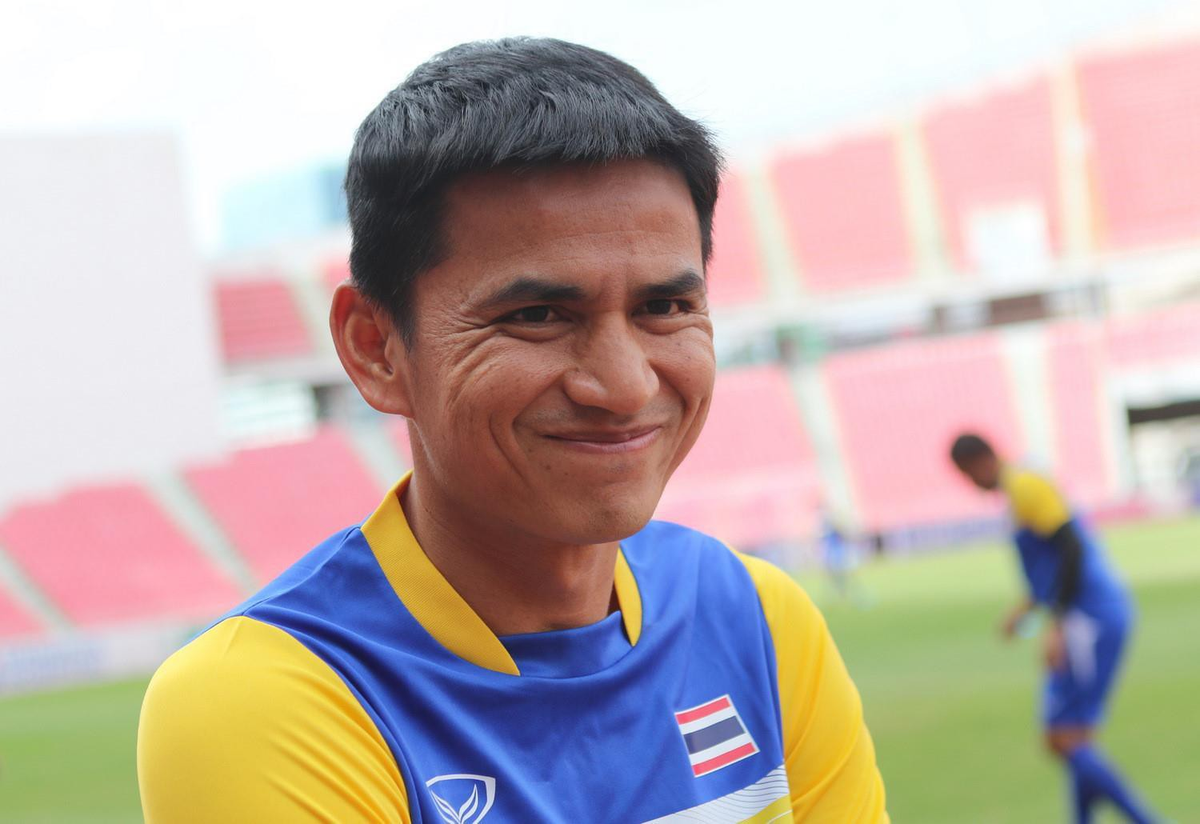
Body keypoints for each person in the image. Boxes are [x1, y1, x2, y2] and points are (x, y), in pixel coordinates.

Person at [137, 38, 887, 822]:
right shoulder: (265, 698)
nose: (625, 386)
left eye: (664, 307)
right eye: (536, 315)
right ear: (376, 347)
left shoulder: (757, 621)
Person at [949, 433, 1158, 824]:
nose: (970, 483)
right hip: (1085, 613)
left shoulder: (1025, 485)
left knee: (1062, 737)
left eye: (967, 474)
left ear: (979, 462)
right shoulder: (1018, 489)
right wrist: (1027, 608)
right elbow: (1052, 562)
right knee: (1073, 736)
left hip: (1089, 616)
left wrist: (1058, 623)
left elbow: (1072, 547)